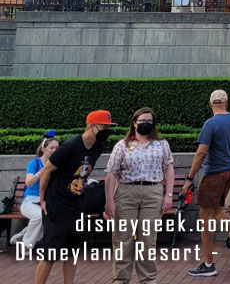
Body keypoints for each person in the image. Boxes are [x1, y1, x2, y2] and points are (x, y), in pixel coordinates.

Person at [33, 111, 114, 284]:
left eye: (108, 126)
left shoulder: (98, 147)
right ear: (91, 126)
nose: (107, 130)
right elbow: (46, 171)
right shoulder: (70, 146)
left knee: (72, 252)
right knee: (50, 253)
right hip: (57, 205)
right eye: (103, 126)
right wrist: (42, 199)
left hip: (76, 204)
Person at [182, 90, 230, 277]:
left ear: (210, 103)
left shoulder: (210, 123)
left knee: (208, 215)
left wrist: (189, 178)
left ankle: (214, 260)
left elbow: (201, 153)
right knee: (211, 213)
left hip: (214, 173)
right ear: (226, 103)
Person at [104, 107, 175, 284]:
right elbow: (111, 173)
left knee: (148, 239)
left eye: (149, 121)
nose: (145, 124)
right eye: (142, 121)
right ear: (134, 123)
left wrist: (169, 195)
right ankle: (120, 278)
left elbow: (169, 169)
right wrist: (109, 201)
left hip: (153, 192)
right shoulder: (122, 145)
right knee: (122, 239)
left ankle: (148, 278)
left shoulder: (162, 144)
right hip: (127, 191)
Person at [10, 135, 59, 253]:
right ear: (44, 149)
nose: (55, 151)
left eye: (57, 148)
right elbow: (29, 182)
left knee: (53, 217)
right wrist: (41, 173)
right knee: (39, 216)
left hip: (47, 200)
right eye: (52, 148)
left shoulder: (57, 165)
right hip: (30, 201)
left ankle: (24, 235)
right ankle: (26, 245)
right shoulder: (35, 163)